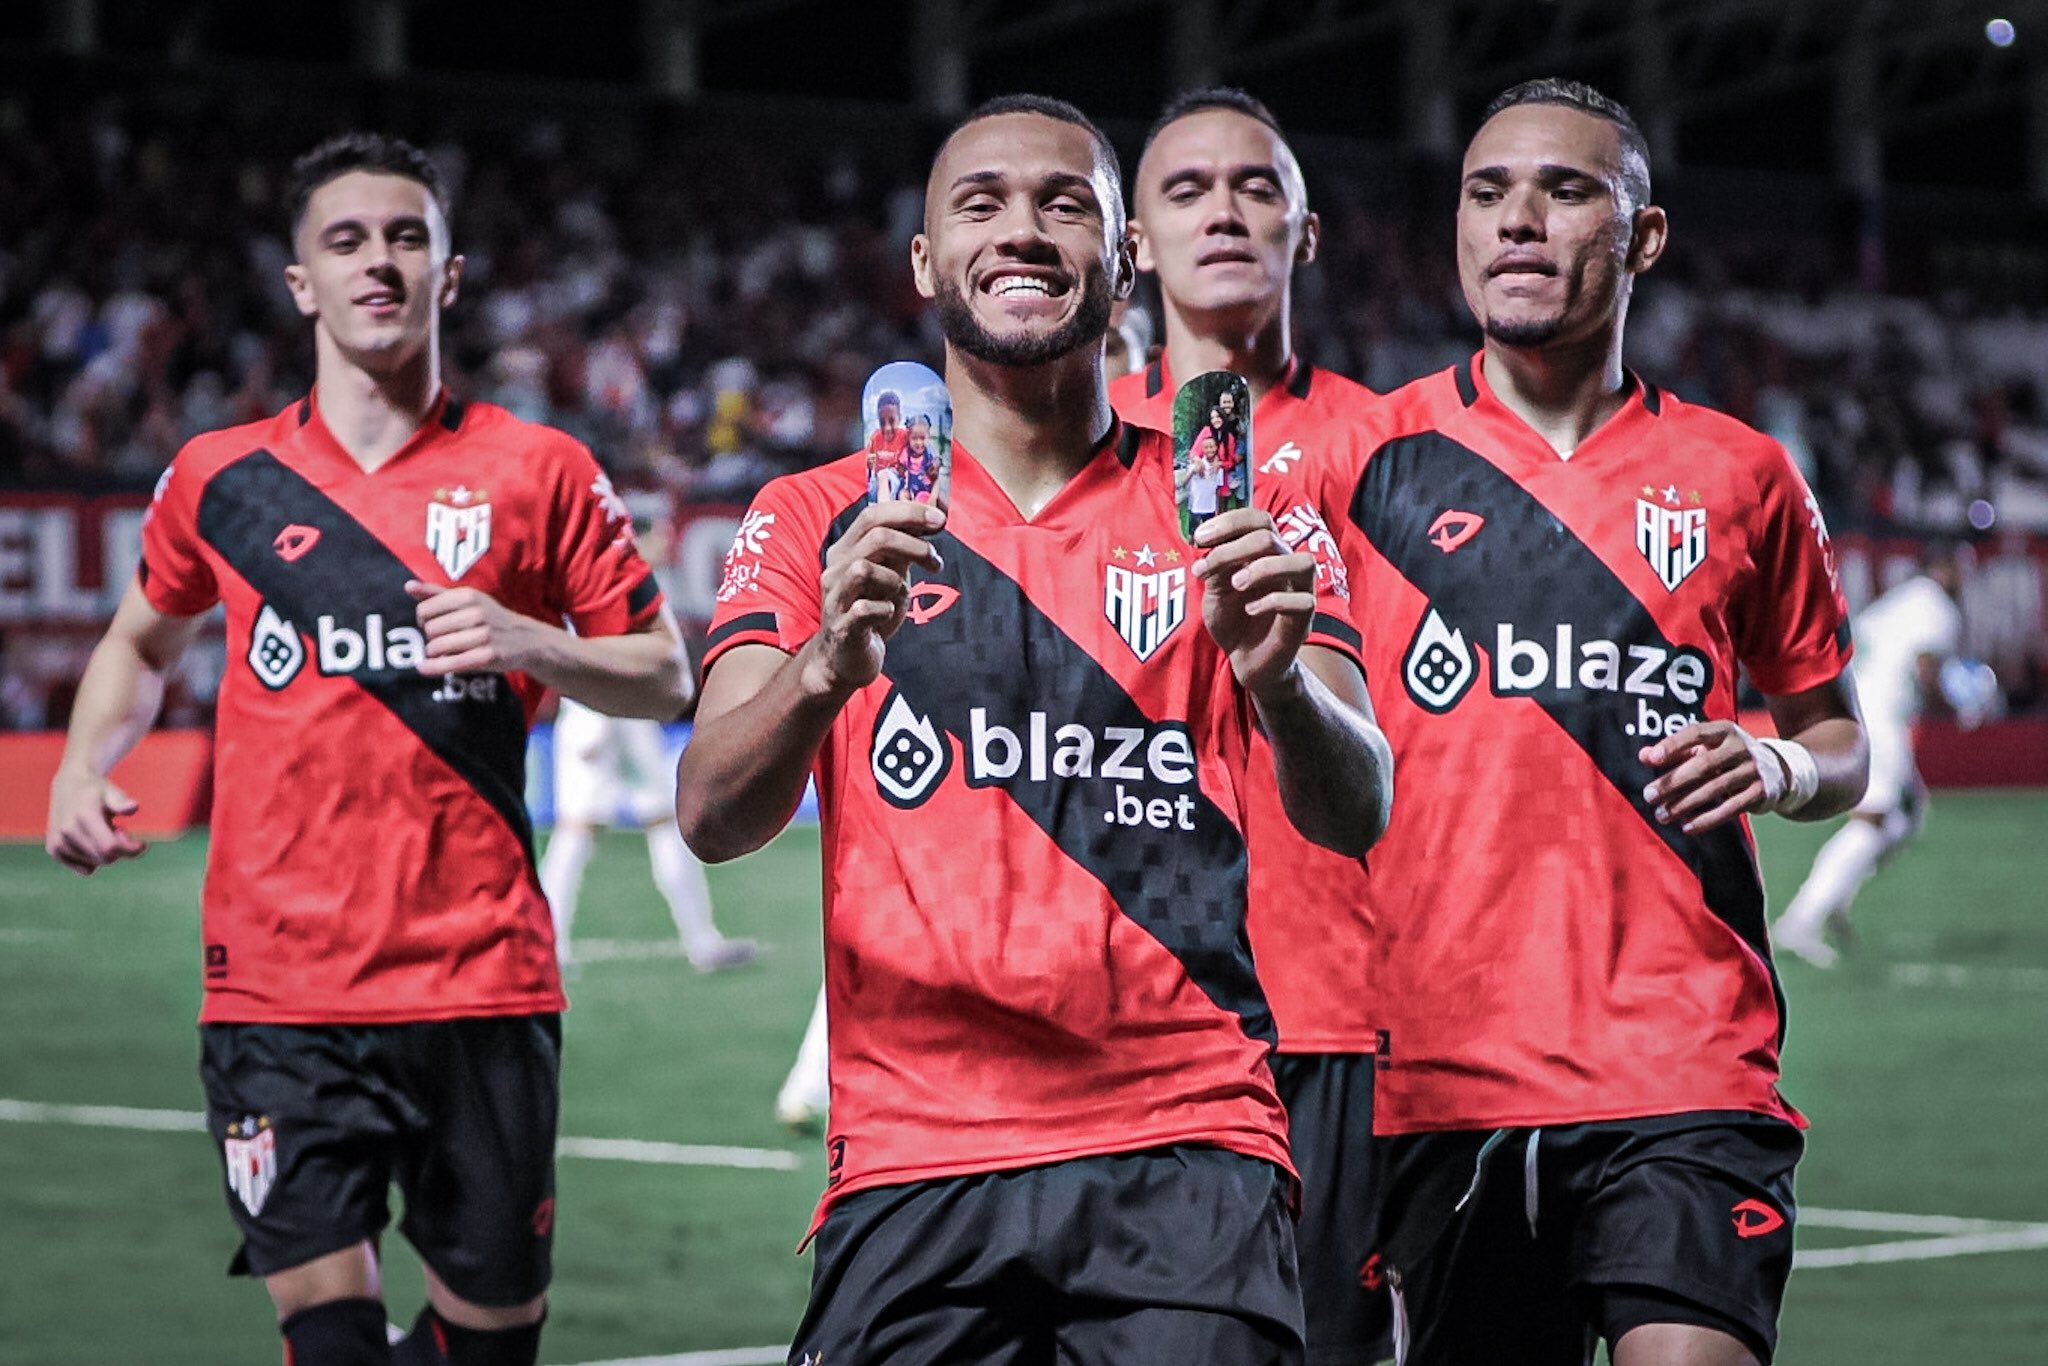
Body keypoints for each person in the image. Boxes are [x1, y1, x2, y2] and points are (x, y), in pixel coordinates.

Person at [676, 94, 1394, 1365]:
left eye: (1066, 204)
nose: (1022, 231)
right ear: (923, 262)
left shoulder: (1234, 502)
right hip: (915, 1156)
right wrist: (819, 672)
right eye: (981, 203)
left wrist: (1276, 679)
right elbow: (711, 817)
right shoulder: (812, 519)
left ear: (1123, 260)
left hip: (1185, 1144)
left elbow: (1356, 809)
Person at [43, 132, 689, 1366]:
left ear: (450, 274)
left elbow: (664, 674)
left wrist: (527, 641)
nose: (377, 263)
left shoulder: (536, 470)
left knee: (491, 1345)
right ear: (302, 282)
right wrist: (79, 763)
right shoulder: (220, 479)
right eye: (345, 241)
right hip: (281, 991)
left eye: (406, 237)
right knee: (330, 1341)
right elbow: (140, 643)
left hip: (482, 982)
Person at [1301, 80, 1867, 1366]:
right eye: (1485, 191)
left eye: (1563, 191)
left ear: (1642, 237)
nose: (1516, 220)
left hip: (1684, 1059)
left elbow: (1842, 744)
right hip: (1443, 1075)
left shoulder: (1740, 473)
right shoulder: (1365, 463)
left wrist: (1774, 763)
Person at [1110, 86, 1393, 1366]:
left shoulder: (1393, 448)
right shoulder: (1062, 446)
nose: (1222, 209)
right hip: (1116, 1019)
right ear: (1130, 243)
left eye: (1255, 184)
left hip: (1335, 1005)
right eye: (1184, 189)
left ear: (1308, 229)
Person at [1773, 542, 1968, 968]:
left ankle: (1836, 896)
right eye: (1958, 566)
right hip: (1882, 716)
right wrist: (1960, 707)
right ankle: (1802, 919)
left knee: (1908, 814)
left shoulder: (1901, 599)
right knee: (1875, 817)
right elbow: (1925, 670)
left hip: (1865, 702)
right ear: (1946, 568)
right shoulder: (1936, 607)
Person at [539, 696, 756, 972]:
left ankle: (548, 947)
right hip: (606, 707)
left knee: (642, 822)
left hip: (611, 708)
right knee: (586, 829)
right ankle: (702, 941)